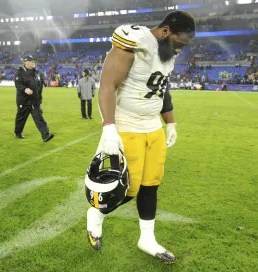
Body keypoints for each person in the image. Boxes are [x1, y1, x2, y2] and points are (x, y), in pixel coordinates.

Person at [86, 11, 195, 264]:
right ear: (166, 31)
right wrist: (109, 126)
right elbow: (107, 85)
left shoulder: (167, 56)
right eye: (179, 42)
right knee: (129, 188)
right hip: (127, 124)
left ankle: (147, 238)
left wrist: (171, 123)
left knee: (151, 184)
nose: (180, 49)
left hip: (152, 127)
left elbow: (161, 90)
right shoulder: (135, 40)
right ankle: (96, 215)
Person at [14, 55, 54, 141]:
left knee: (39, 117)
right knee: (21, 118)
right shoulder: (20, 72)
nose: (33, 62)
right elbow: (18, 84)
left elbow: (40, 83)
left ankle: (45, 135)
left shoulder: (37, 73)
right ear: (26, 62)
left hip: (35, 100)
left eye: (34, 60)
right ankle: (18, 132)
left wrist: (44, 83)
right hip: (24, 100)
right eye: (31, 60)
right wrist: (25, 89)